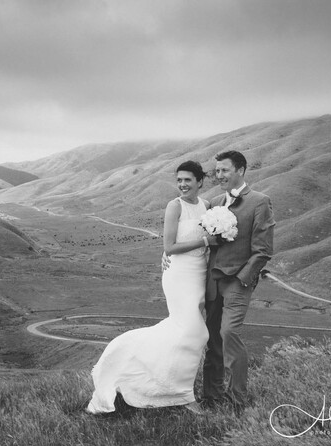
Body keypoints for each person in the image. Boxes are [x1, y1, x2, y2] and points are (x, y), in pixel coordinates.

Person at [86, 161, 217, 415]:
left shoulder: (208, 206)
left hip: (200, 274)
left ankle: (156, 382)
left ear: (200, 182)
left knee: (182, 334)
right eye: (179, 180)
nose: (182, 185)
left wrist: (210, 244)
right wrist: (204, 240)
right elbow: (169, 247)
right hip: (179, 274)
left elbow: (212, 238)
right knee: (196, 333)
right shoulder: (174, 206)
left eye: (188, 180)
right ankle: (185, 397)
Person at [202, 150, 274, 413]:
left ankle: (237, 400)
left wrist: (244, 279)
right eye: (217, 171)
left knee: (228, 333)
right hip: (212, 282)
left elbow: (263, 250)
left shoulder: (259, 202)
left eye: (224, 170)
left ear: (241, 170)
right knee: (212, 339)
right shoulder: (214, 202)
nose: (219, 175)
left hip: (237, 282)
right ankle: (211, 396)